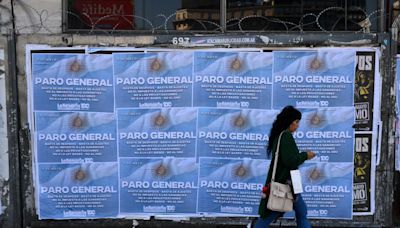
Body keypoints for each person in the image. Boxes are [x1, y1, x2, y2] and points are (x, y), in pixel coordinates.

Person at [254, 105, 316, 228]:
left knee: (301, 211)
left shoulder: (280, 136)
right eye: (296, 122)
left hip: (289, 182)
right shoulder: (286, 136)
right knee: (271, 214)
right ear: (289, 122)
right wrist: (305, 155)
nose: (298, 125)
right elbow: (290, 161)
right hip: (286, 183)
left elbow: (288, 159)